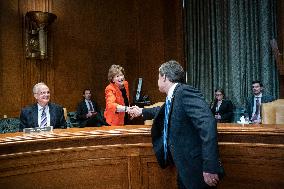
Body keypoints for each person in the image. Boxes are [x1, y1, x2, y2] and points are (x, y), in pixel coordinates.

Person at [129, 60, 222, 189]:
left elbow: (208, 123)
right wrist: (141, 111)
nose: (157, 80)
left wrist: (210, 166)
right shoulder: (174, 95)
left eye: (158, 76)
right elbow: (164, 110)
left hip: (197, 168)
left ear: (164, 77)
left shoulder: (184, 92)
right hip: (184, 167)